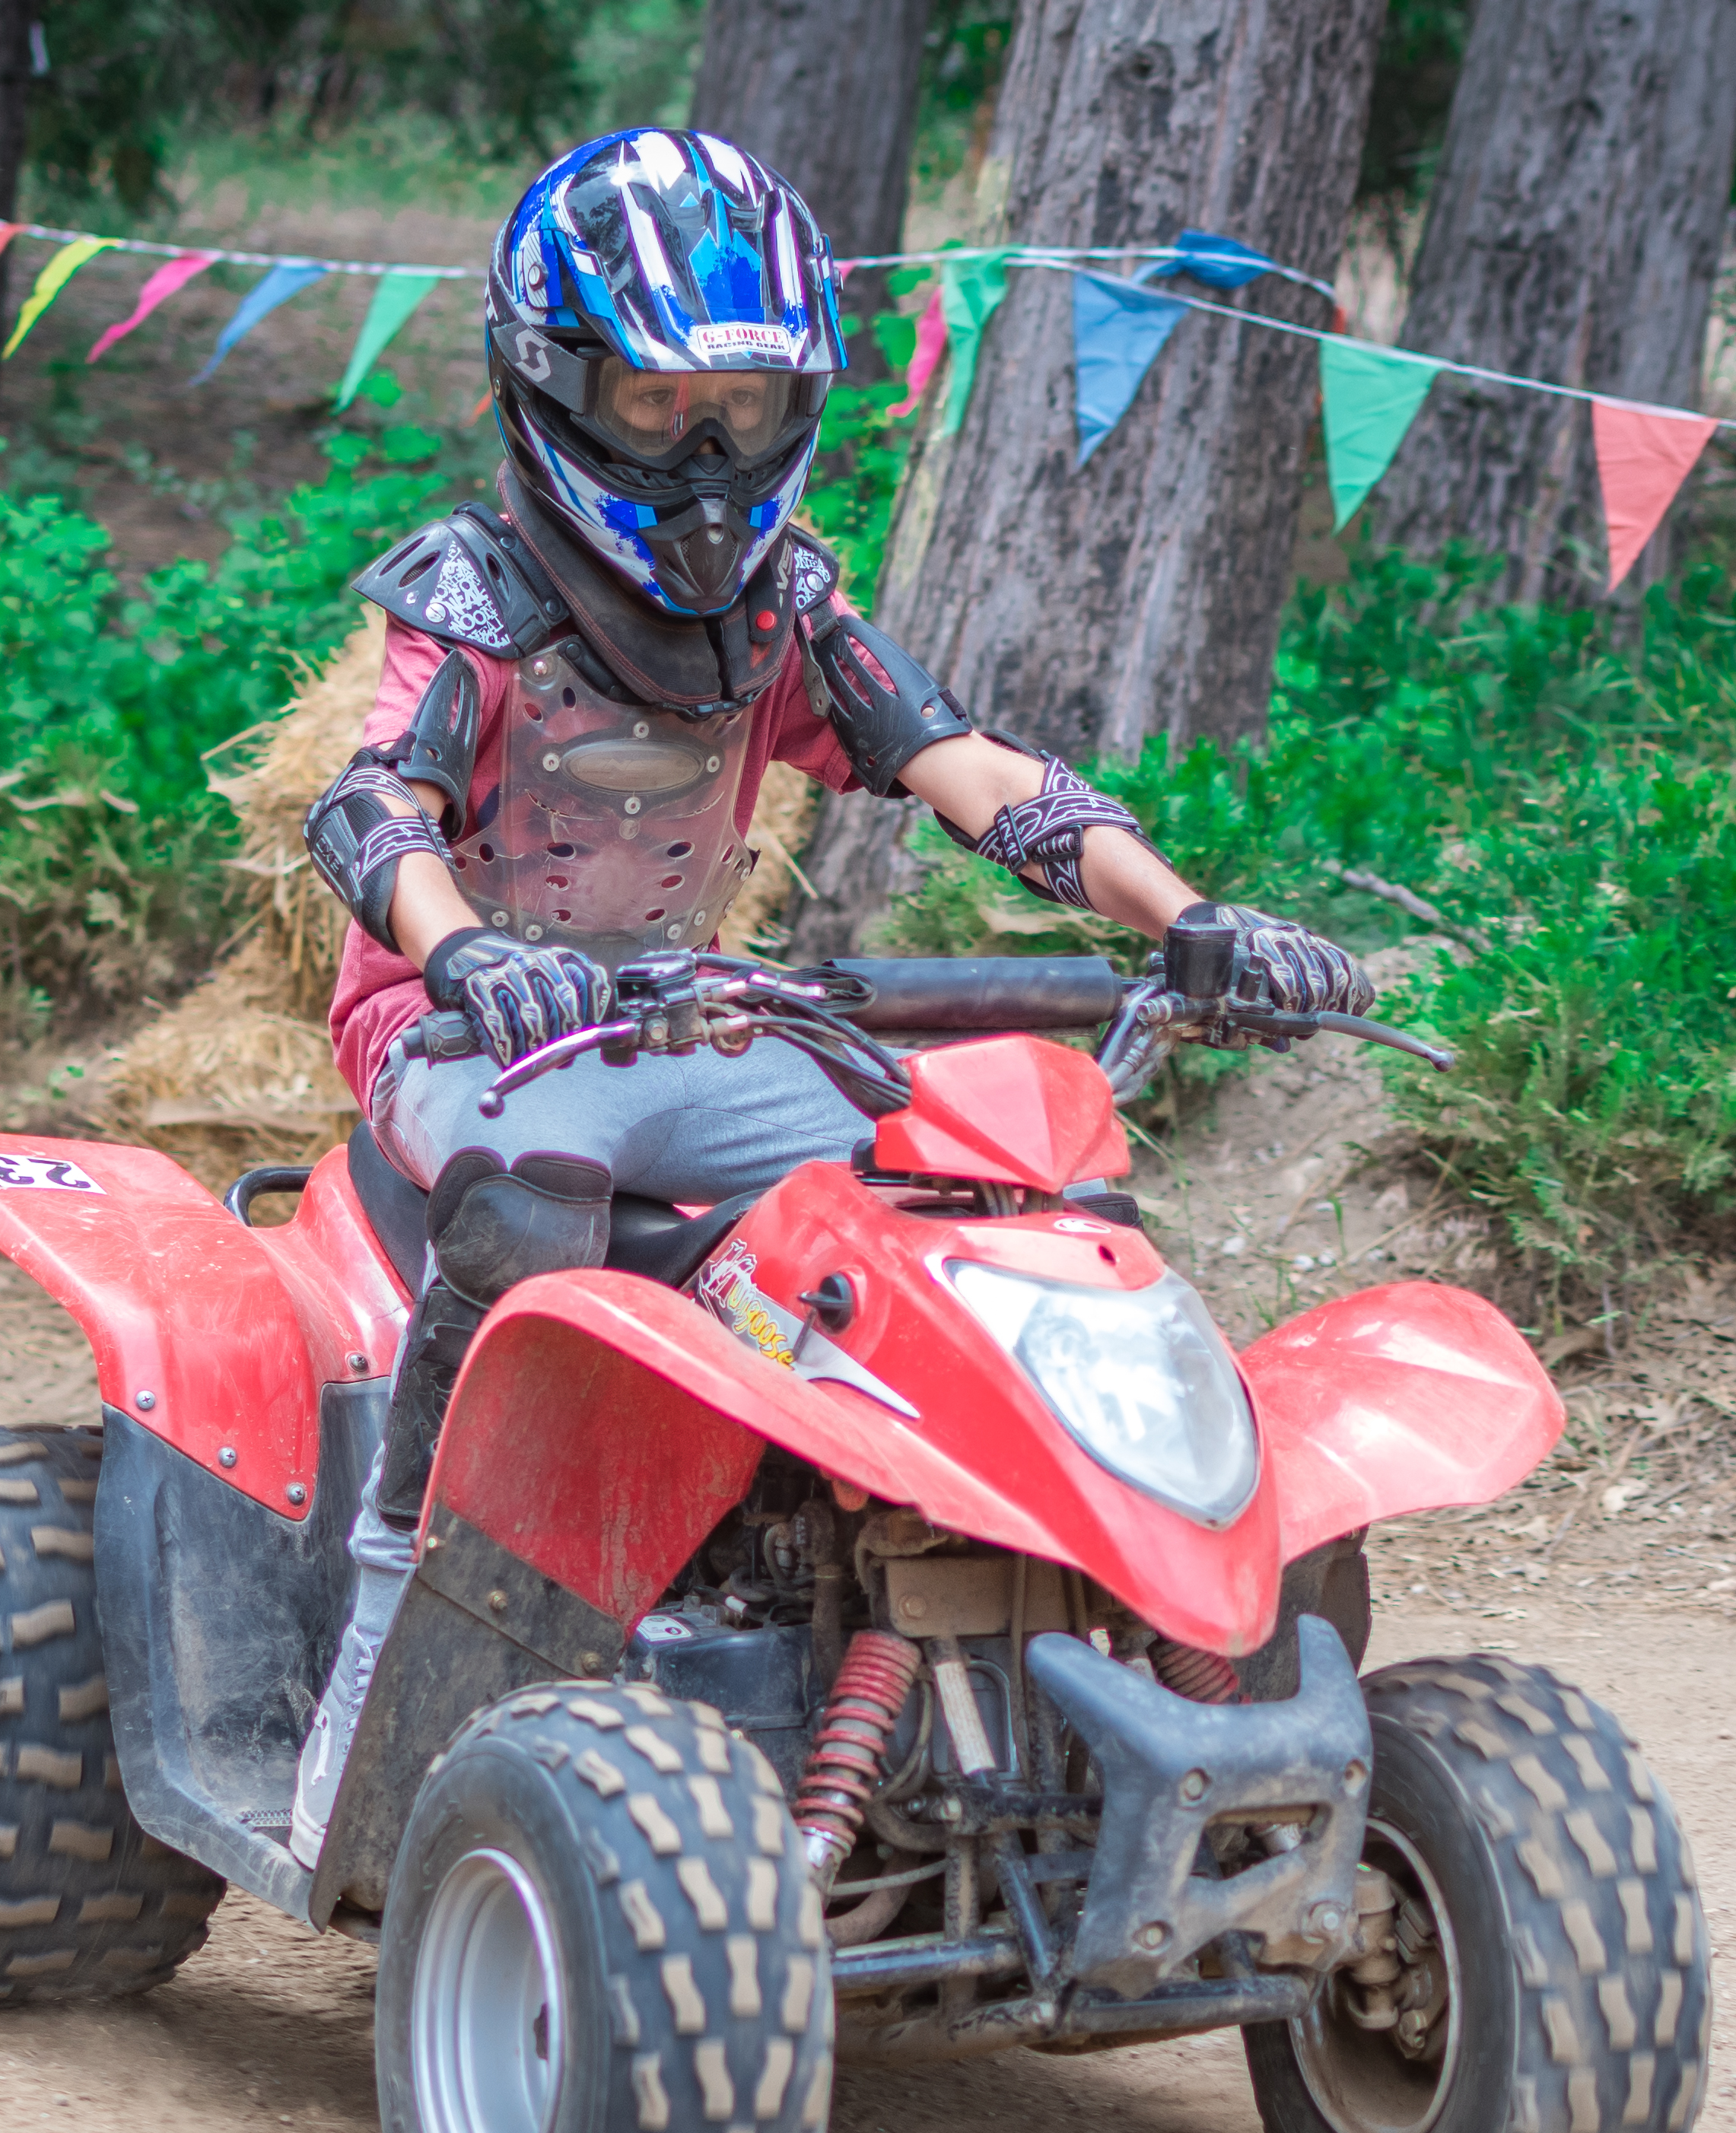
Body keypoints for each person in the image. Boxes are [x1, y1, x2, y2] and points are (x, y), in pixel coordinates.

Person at [285, 126, 1375, 1863]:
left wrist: (1190, 918)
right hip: (465, 1025)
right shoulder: (473, 600)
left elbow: (964, 762)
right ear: (550, 384)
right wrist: (466, 947)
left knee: (971, 1181)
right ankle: (393, 1603)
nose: (707, 459)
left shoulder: (785, 609)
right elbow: (371, 807)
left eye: (745, 407)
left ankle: (1030, 1599)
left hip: (700, 1021)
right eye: (656, 408)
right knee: (536, 1200)